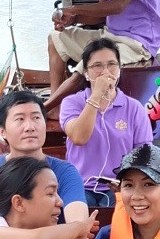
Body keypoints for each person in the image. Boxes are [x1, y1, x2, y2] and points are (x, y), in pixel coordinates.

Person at [0, 88, 89, 222]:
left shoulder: (66, 172)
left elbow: (78, 229)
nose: (30, 127)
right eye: (20, 119)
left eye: (36, 118)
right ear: (2, 131)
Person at [58, 38, 153, 206]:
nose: (105, 71)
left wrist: (127, 182)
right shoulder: (72, 103)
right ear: (86, 73)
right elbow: (79, 137)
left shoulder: (134, 107)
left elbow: (144, 154)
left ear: (119, 69)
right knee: (77, 216)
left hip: (119, 186)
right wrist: (96, 95)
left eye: (112, 64)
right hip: (79, 185)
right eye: (97, 66)